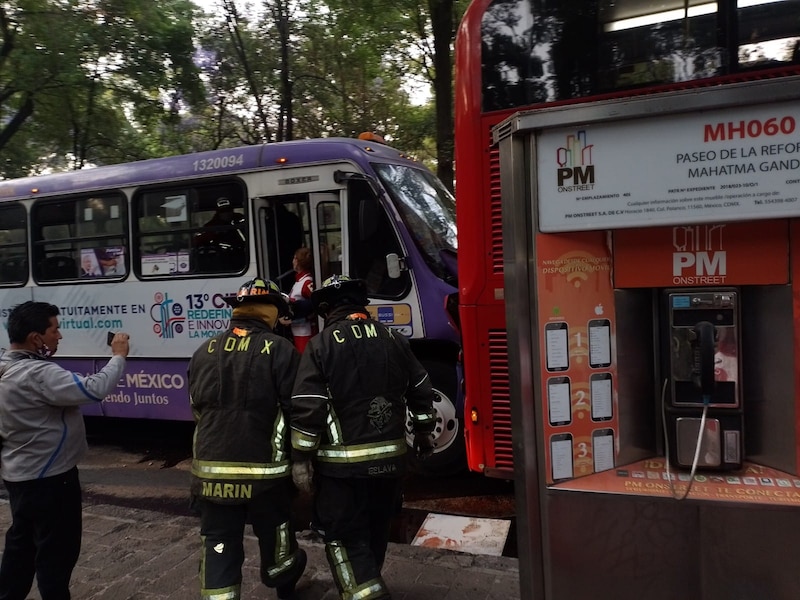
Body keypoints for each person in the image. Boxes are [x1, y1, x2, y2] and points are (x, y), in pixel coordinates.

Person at [290, 275, 436, 600]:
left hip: (344, 471)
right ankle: (369, 582)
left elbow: (308, 408)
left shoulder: (321, 346)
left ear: (327, 309)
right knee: (375, 531)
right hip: (391, 467)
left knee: (342, 537)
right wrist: (424, 432)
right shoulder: (394, 339)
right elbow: (422, 389)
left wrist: (301, 459)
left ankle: (366, 593)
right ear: (362, 305)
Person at [0, 301, 129, 599]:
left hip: (18, 476)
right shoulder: (37, 374)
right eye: (54, 330)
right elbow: (94, 388)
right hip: (51, 480)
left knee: (21, 548)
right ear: (36, 338)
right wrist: (119, 356)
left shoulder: (7, 366)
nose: (59, 337)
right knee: (56, 556)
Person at [187, 277, 307, 600]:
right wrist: (299, 462)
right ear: (269, 312)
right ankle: (285, 584)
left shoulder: (203, 351)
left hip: (211, 477)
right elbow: (295, 411)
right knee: (276, 534)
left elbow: (197, 408)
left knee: (219, 542)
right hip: (265, 478)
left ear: (238, 310)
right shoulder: (280, 351)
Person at [285, 247, 318, 353]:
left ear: (299, 262)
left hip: (305, 332)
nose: (292, 261)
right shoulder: (299, 281)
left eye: (295, 258)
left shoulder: (307, 282)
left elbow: (316, 304)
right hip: (298, 330)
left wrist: (306, 317)